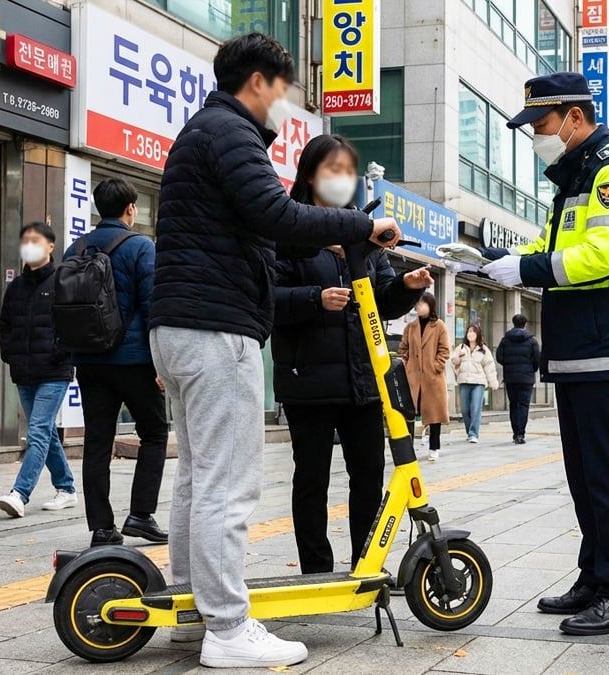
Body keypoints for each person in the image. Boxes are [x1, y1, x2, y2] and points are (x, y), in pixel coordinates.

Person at [150, 33, 402, 668]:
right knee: (226, 484)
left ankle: (193, 607)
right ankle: (229, 628)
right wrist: (358, 225)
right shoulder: (229, 133)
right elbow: (277, 216)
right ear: (258, 82)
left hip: (183, 326)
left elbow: (261, 237)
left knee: (195, 477)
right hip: (214, 330)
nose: (285, 103)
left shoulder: (203, 134)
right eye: (283, 89)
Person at [480, 72, 609, 636]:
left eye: (543, 124)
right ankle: (594, 578)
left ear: (575, 118)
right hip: (581, 351)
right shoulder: (576, 180)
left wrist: (526, 269)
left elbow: (602, 255)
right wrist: (491, 258)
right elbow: (548, 248)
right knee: (584, 479)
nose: (538, 136)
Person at [271, 135, 431, 575]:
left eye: (347, 171)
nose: (341, 180)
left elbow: (379, 300)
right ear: (309, 175)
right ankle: (317, 572)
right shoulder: (289, 232)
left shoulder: (361, 234)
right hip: (308, 382)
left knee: (369, 477)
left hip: (364, 381)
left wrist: (406, 286)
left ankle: (368, 564)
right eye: (331, 170)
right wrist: (313, 299)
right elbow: (266, 298)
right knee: (311, 482)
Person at [63, 178, 168, 547]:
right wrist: (161, 364)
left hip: (90, 361)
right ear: (130, 209)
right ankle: (140, 514)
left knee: (97, 442)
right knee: (154, 433)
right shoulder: (141, 246)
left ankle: (102, 528)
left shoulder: (75, 248)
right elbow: (152, 304)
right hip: (135, 359)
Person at [0, 222, 76, 517]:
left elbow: (73, 324)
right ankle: (67, 488)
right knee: (46, 432)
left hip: (55, 370)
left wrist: (60, 353)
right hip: (24, 371)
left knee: (38, 430)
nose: (29, 245)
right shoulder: (16, 286)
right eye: (25, 240)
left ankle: (20, 493)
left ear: (51, 247)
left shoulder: (62, 281)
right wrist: (10, 354)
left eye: (35, 240)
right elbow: (5, 324)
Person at [399, 294, 451, 461]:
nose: (418, 307)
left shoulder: (439, 326)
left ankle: (434, 447)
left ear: (430, 305)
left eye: (422, 304)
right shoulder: (411, 327)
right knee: (409, 413)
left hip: (432, 377)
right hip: (413, 376)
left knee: (434, 414)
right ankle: (408, 449)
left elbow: (444, 350)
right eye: (417, 304)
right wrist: (406, 364)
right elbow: (403, 348)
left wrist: (436, 365)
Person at [496, 314, 540, 443]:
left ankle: (515, 433)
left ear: (513, 323)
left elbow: (499, 357)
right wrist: (532, 369)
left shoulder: (505, 340)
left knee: (513, 404)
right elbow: (537, 358)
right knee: (524, 405)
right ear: (525, 324)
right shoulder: (532, 340)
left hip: (511, 377)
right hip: (526, 378)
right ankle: (521, 434)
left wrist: (508, 364)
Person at [451, 324, 499, 443]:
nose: (470, 334)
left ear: (477, 334)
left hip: (479, 382)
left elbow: (489, 366)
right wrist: (457, 358)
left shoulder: (484, 349)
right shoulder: (461, 347)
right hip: (464, 381)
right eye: (468, 332)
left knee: (475, 408)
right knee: (465, 409)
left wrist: (493, 382)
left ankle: (473, 434)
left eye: (473, 332)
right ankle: (469, 432)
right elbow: (454, 362)